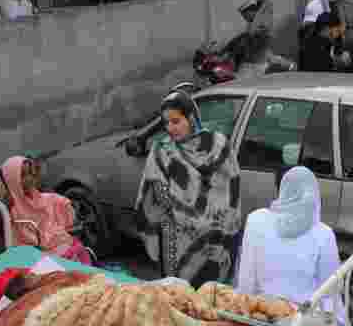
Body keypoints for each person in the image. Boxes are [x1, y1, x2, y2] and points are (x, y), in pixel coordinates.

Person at [135, 90, 242, 288]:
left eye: (176, 121)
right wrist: (184, 215)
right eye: (166, 123)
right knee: (179, 297)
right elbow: (155, 190)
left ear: (191, 117)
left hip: (214, 237)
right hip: (177, 239)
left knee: (211, 299)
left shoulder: (218, 145)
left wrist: (208, 219)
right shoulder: (162, 150)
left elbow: (231, 188)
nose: (171, 128)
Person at [236, 166, 340, 307]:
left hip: (260, 312)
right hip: (303, 320)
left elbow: (246, 282)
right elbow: (329, 294)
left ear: (279, 189)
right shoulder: (324, 234)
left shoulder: (256, 219)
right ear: (313, 192)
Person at [0, 156, 92, 264]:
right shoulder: (10, 210)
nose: (29, 178)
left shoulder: (36, 196)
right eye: (23, 175)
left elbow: (46, 206)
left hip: (48, 243)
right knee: (70, 253)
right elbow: (22, 240)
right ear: (12, 180)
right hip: (33, 253)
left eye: (30, 173)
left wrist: (64, 205)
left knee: (77, 248)